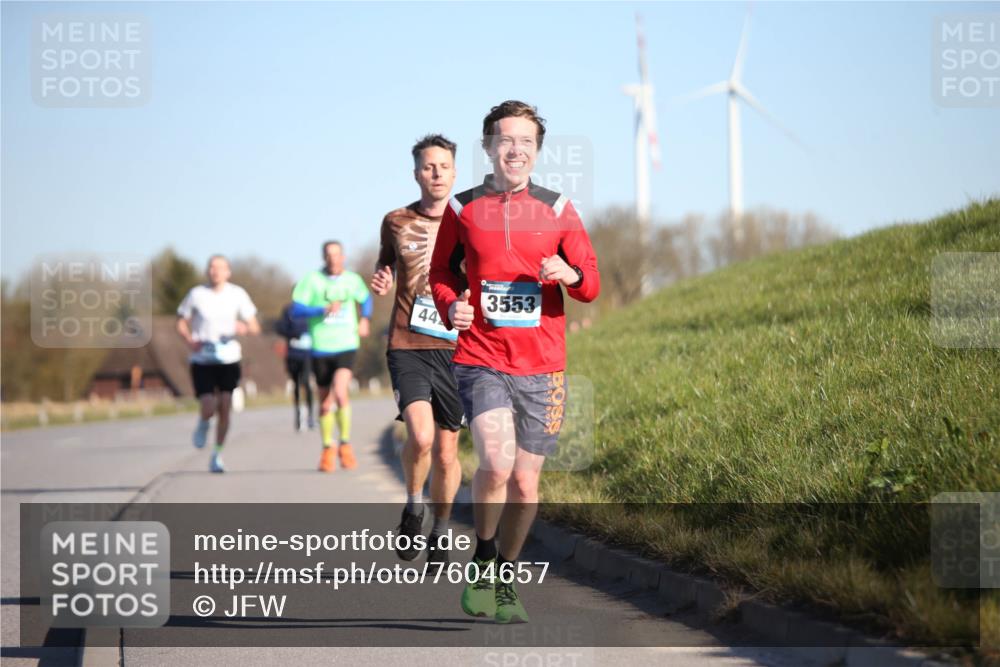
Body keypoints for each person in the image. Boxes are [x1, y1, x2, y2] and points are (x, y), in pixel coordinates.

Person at [430, 101, 600, 623]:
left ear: (537, 151)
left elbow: (591, 282)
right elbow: (441, 274)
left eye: (526, 141)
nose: (515, 149)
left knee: (525, 483)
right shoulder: (462, 208)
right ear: (488, 147)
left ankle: (503, 574)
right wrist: (450, 306)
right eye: (505, 139)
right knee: (497, 463)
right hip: (481, 357)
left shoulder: (559, 209)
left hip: (543, 365)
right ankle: (482, 555)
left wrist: (569, 275)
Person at [371, 134, 464, 565]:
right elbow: (385, 261)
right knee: (422, 437)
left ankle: (441, 530)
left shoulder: (469, 221)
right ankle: (413, 506)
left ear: (455, 172)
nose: (437, 173)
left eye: (444, 166)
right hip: (407, 344)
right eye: (429, 167)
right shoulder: (396, 220)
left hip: (456, 348)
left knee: (447, 452)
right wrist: (383, 276)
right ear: (416, 174)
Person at [291, 241, 372, 472]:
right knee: (324, 402)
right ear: (324, 258)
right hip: (321, 347)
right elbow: (296, 308)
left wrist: (364, 319)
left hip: (347, 344)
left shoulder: (353, 279)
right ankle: (327, 448)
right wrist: (321, 310)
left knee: (340, 391)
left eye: (337, 254)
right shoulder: (312, 280)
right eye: (329, 255)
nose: (333, 259)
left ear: (343, 257)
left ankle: (345, 444)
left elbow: (366, 298)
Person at [176, 254, 261, 473]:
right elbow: (181, 322)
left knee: (225, 406)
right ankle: (204, 422)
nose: (215, 271)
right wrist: (189, 341)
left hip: (229, 357)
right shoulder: (196, 294)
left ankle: (217, 454)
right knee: (208, 406)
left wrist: (244, 328)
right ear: (207, 271)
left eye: (220, 267)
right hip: (203, 358)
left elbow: (255, 326)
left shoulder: (237, 294)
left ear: (228, 272)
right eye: (212, 267)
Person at [277, 301, 315, 432]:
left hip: (307, 355)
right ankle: (298, 414)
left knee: (306, 382)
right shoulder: (288, 310)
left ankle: (310, 414)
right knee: (296, 385)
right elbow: (280, 328)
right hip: (293, 354)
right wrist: (294, 334)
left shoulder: (312, 308)